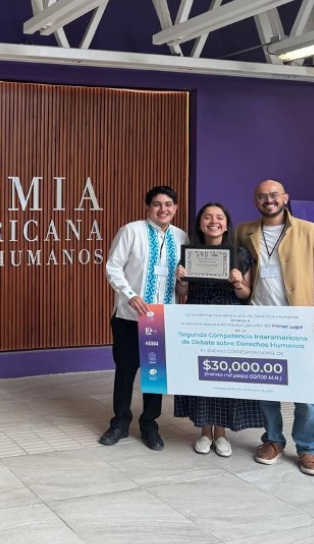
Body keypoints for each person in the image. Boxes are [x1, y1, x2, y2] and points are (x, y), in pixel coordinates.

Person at [235, 179, 314, 476]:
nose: (268, 200)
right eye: (261, 196)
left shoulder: (310, 232)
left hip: (301, 325)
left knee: (306, 392)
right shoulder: (244, 231)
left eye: (273, 195)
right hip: (260, 321)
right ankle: (272, 440)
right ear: (255, 201)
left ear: (285, 198)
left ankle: (308, 448)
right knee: (266, 387)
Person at [100, 186, 189, 451]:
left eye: (168, 204)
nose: (163, 209)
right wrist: (130, 295)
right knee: (126, 371)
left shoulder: (181, 237)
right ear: (148, 207)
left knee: (155, 373)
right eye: (157, 204)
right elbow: (112, 267)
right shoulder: (131, 231)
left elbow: (183, 276)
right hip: (130, 316)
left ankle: (150, 423)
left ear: (175, 208)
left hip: (162, 318)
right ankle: (119, 422)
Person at [174, 203, 263, 457]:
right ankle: (204, 432)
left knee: (224, 376)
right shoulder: (189, 254)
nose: (214, 221)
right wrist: (181, 280)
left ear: (226, 223)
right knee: (200, 375)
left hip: (229, 322)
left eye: (219, 217)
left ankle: (221, 434)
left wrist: (237, 282)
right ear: (200, 223)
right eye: (208, 217)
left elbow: (246, 293)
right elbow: (182, 292)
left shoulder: (240, 254)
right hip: (197, 319)